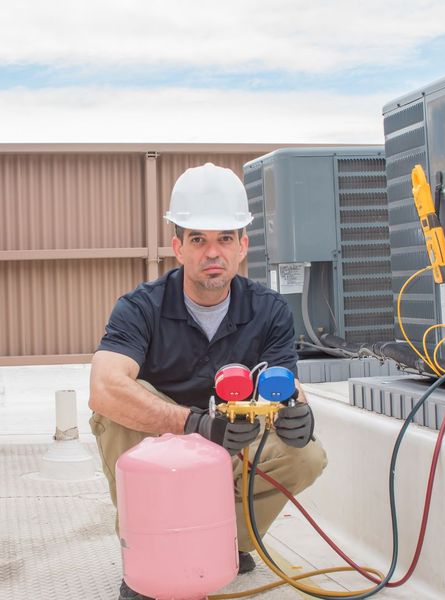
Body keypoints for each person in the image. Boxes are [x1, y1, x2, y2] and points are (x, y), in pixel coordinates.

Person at [88, 162, 328, 600]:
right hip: (159, 443)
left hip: (231, 441)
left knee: (305, 456)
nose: (212, 253)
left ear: (243, 247)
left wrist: (297, 412)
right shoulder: (141, 307)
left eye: (224, 239)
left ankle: (225, 544)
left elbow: (285, 385)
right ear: (178, 248)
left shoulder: (270, 311)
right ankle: (150, 556)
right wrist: (194, 424)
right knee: (122, 404)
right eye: (198, 239)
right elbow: (104, 387)